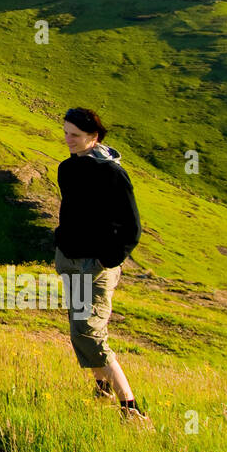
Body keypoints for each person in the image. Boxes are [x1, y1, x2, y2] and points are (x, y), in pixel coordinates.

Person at [53, 107, 148, 422]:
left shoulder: (112, 173)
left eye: (75, 135)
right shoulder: (67, 168)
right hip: (70, 261)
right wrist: (62, 244)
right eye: (66, 132)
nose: (68, 140)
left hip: (95, 267)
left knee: (90, 333)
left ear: (93, 137)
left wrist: (106, 260)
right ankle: (102, 391)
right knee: (80, 332)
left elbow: (132, 228)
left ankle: (131, 408)